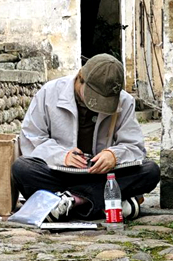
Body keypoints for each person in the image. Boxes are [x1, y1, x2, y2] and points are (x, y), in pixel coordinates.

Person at [12, 53, 160, 221]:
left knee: (151, 171)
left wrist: (113, 155)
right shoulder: (49, 93)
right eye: (95, 98)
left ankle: (71, 201)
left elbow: (135, 147)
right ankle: (106, 203)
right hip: (61, 174)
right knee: (22, 168)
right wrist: (62, 156)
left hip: (105, 176)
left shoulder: (125, 101)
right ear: (80, 78)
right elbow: (31, 139)